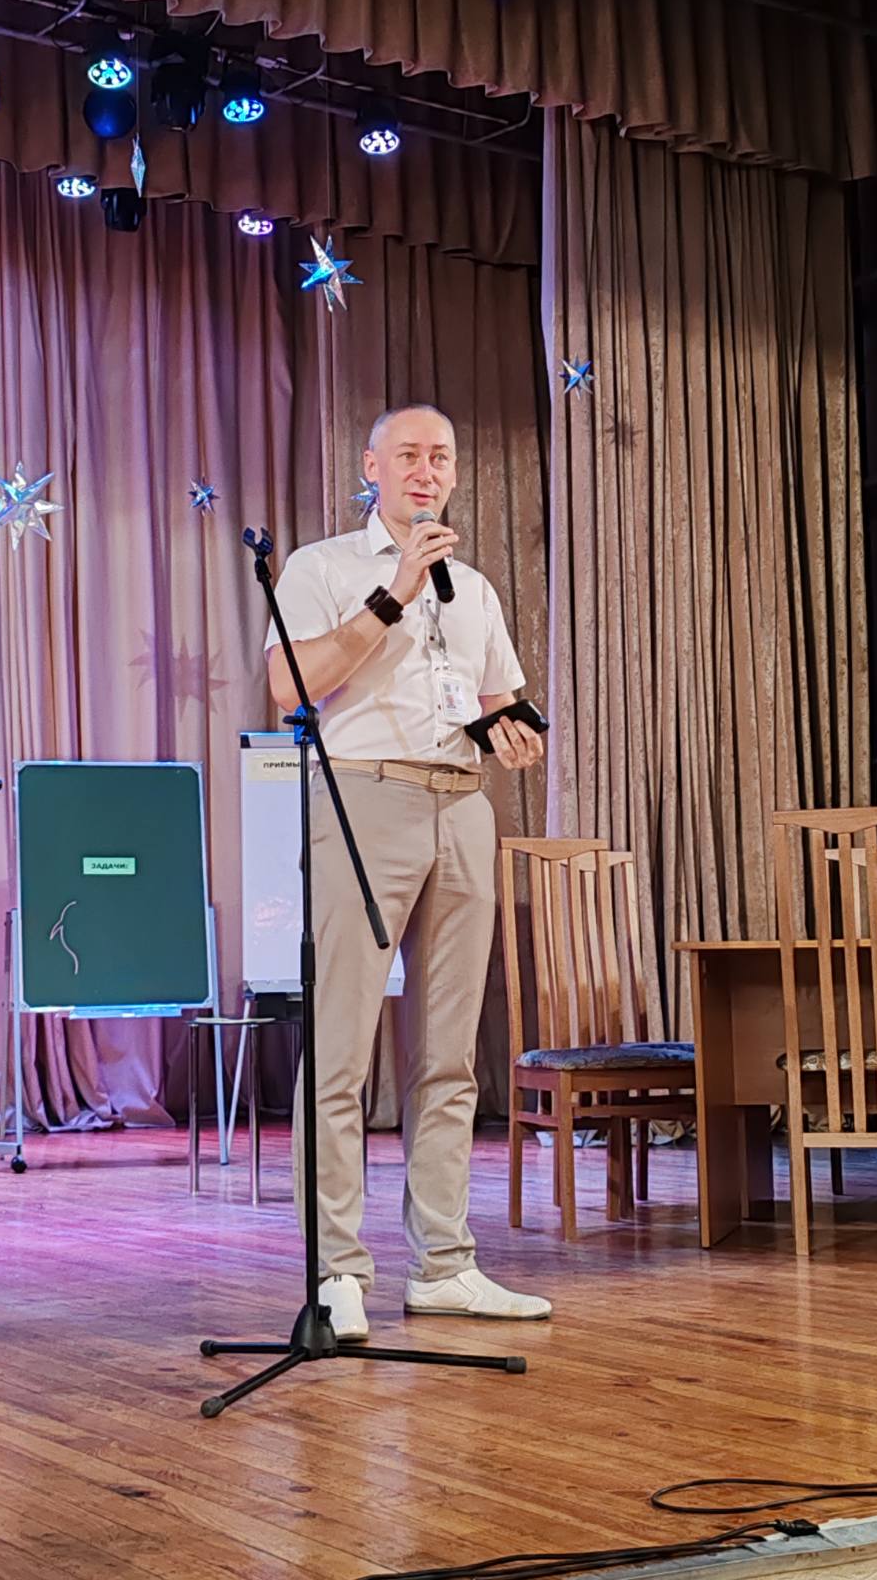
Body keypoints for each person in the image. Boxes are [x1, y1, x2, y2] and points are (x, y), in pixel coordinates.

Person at [264, 403, 550, 1341]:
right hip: (364, 792)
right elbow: (291, 685)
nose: (428, 472)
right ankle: (337, 1272)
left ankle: (445, 1266)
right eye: (411, 456)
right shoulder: (321, 568)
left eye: (443, 459)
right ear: (372, 467)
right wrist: (394, 592)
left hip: (461, 804)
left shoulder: (476, 588)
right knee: (343, 1047)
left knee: (450, 1054)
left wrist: (511, 731)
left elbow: (495, 696)